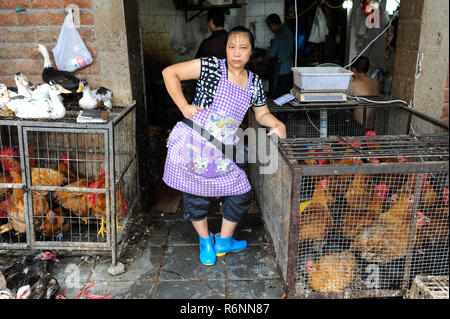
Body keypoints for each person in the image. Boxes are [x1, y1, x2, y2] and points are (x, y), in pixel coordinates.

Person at [162, 26, 287, 266]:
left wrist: (277, 123)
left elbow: (262, 114)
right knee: (196, 195)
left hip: (224, 148)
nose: (236, 53)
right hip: (196, 143)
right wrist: (184, 107)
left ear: (251, 52)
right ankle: (205, 241)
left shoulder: (254, 83)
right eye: (232, 47)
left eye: (243, 47)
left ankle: (224, 240)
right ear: (225, 49)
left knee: (240, 192)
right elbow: (170, 73)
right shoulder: (210, 67)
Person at [262, 13, 294, 99]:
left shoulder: (279, 35)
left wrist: (261, 59)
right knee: (287, 95)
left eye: (270, 27)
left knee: (278, 96)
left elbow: (270, 56)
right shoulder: (287, 30)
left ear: (273, 25)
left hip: (281, 71)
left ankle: (279, 112)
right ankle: (288, 112)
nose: (270, 29)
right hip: (289, 68)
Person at [349, 56, 381, 125]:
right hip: (373, 126)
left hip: (358, 126)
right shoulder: (376, 83)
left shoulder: (353, 83)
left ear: (354, 70)